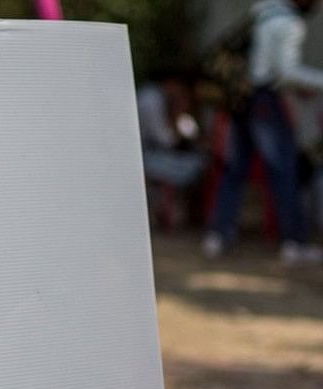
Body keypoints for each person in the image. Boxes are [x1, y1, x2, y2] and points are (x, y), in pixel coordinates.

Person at [203, 0, 323, 263]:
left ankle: (218, 235)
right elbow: (285, 71)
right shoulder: (289, 22)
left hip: (242, 98)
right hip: (264, 99)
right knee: (283, 170)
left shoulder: (263, 12)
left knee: (235, 169)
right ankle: (294, 241)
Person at [137, 72, 205, 230]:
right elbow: (164, 139)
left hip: (154, 151)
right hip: (148, 155)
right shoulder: (151, 100)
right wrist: (177, 117)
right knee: (197, 165)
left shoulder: (155, 97)